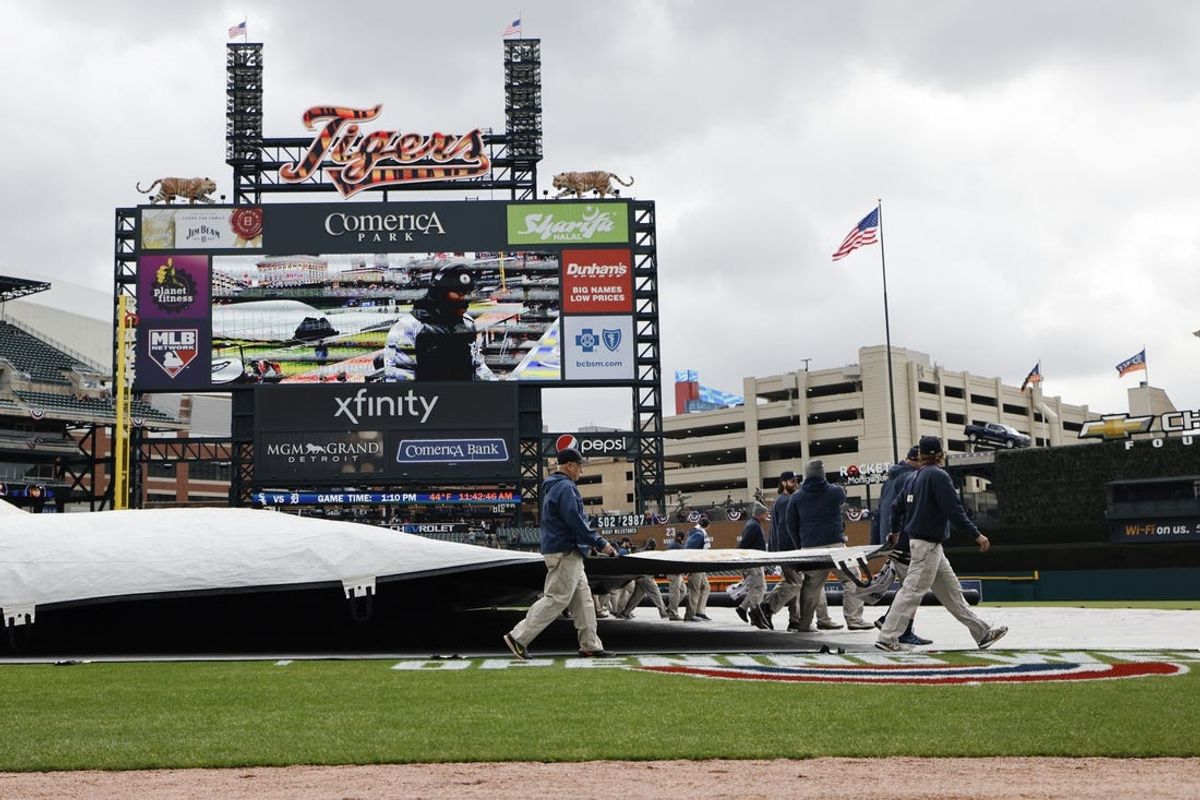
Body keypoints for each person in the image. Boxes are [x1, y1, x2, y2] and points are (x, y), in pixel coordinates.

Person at [876, 436, 1008, 652]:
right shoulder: (938, 476)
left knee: (953, 593)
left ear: (920, 455)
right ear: (939, 454)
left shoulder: (913, 477)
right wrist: (977, 535)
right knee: (911, 591)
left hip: (927, 546)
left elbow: (895, 507)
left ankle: (982, 633)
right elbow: (954, 511)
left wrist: (894, 532)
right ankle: (887, 638)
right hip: (927, 545)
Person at [503, 448, 618, 659]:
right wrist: (600, 542)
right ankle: (518, 637)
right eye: (580, 466)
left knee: (584, 601)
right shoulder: (565, 486)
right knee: (556, 598)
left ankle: (590, 645)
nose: (581, 471)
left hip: (567, 551)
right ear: (570, 465)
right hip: (566, 551)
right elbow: (574, 520)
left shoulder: (554, 486)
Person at [383, 264, 497, 382]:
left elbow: (478, 367)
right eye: (460, 293)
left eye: (468, 292)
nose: (466, 298)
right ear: (440, 293)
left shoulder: (468, 324)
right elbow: (399, 381)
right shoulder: (408, 327)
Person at [868, 445, 932, 646]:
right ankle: (902, 630)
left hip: (890, 539)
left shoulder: (890, 480)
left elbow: (880, 512)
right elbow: (910, 511)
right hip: (904, 539)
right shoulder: (911, 478)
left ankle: (888, 619)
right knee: (914, 587)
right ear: (917, 460)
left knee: (909, 586)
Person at [735, 502, 769, 623]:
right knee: (758, 589)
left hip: (755, 562)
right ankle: (755, 614)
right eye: (765, 513)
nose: (767, 516)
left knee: (760, 587)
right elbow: (743, 545)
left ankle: (743, 608)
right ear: (760, 514)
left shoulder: (753, 524)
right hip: (753, 562)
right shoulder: (754, 526)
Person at [682, 516, 712, 621]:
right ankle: (690, 615)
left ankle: (699, 612)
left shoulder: (695, 532)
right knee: (694, 591)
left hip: (700, 566)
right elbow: (690, 550)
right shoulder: (699, 534)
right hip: (696, 566)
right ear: (707, 526)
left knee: (706, 587)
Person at [664, 530, 686, 620]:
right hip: (674, 573)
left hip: (674, 572)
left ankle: (670, 608)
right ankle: (673, 613)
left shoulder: (671, 544)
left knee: (683, 590)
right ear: (680, 538)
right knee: (675, 593)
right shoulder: (678, 546)